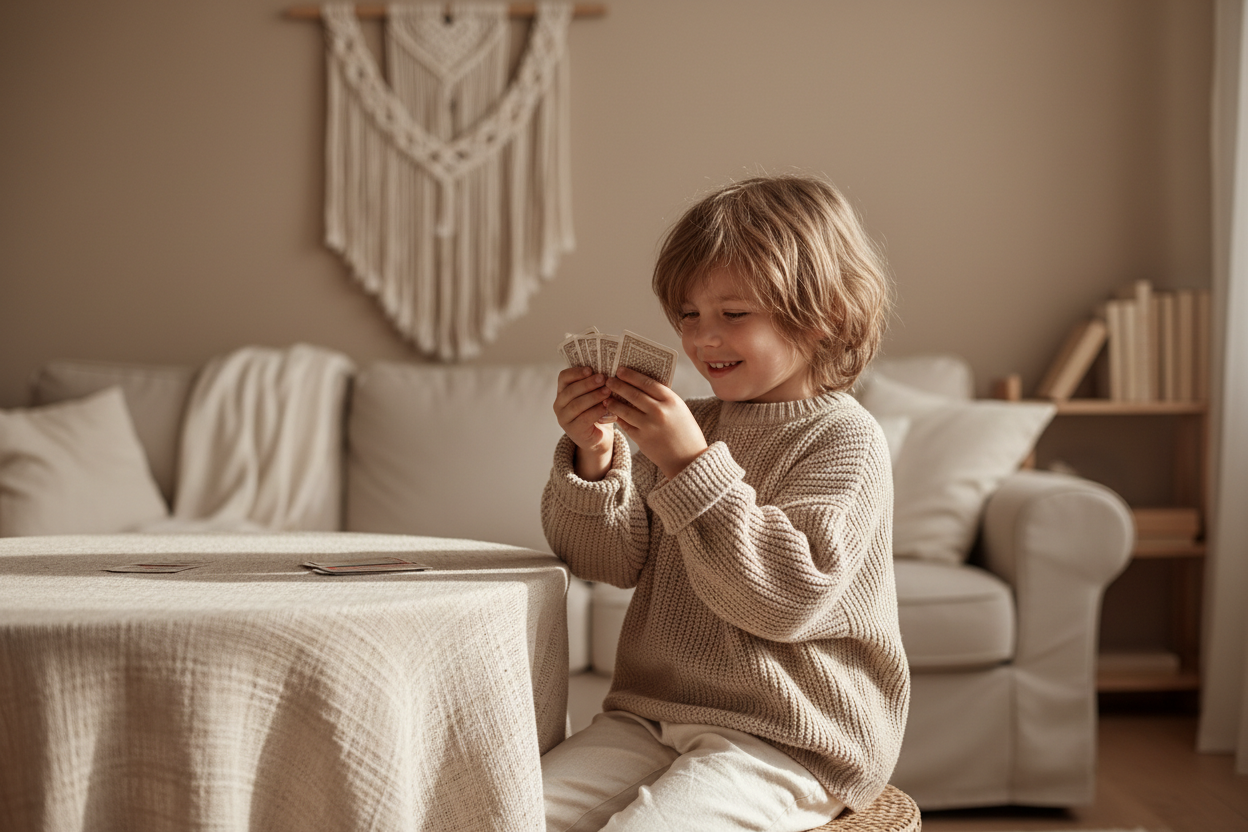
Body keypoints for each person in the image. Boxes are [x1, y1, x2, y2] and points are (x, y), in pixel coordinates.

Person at [541, 174, 908, 832]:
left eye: (733, 315)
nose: (703, 339)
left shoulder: (845, 439)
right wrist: (594, 456)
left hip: (790, 738)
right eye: (688, 314)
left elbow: (787, 598)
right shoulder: (693, 423)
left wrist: (687, 463)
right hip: (650, 716)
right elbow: (605, 562)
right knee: (499, 811)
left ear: (822, 314)